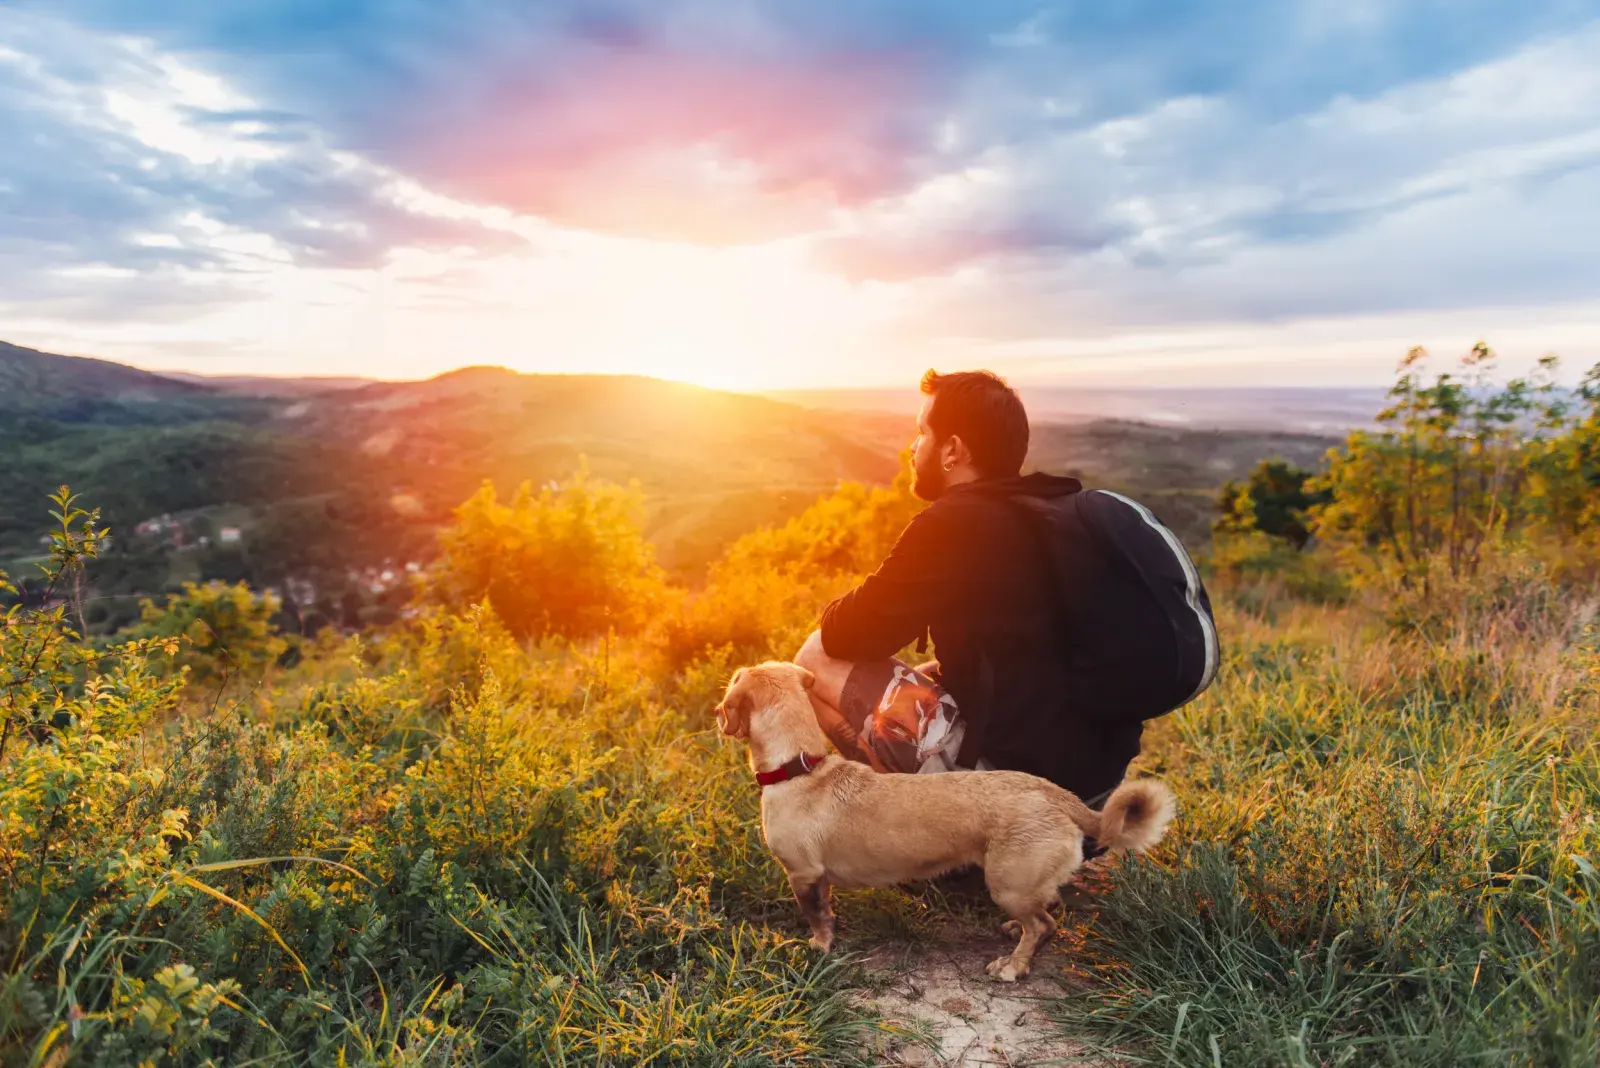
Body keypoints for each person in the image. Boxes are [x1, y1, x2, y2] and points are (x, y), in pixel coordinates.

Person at [794, 369, 1145, 811]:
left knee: (813, 658)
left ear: (953, 450)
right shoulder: (1050, 510)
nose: (912, 446)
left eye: (922, 432)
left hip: (1017, 805)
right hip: (1095, 797)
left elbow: (842, 636)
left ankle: (918, 838)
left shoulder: (954, 523)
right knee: (929, 672)